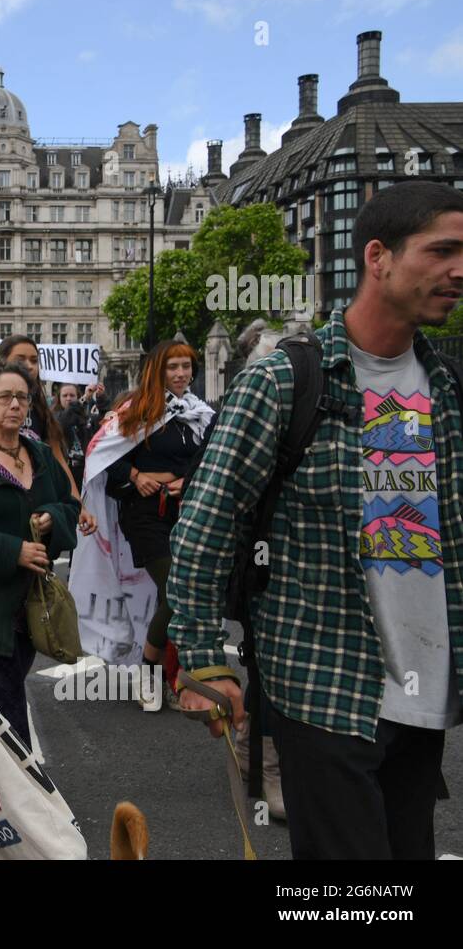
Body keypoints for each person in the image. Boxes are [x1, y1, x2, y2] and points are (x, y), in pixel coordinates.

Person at [170, 182, 463, 859]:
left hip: (426, 693)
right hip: (325, 685)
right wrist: (205, 659)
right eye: (441, 251)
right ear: (377, 258)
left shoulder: (445, 390)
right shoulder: (285, 381)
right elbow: (205, 528)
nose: (458, 270)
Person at [82, 340, 212, 710]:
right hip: (144, 516)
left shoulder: (202, 413)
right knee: (176, 589)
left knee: (181, 596)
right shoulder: (134, 411)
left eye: (187, 366)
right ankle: (148, 668)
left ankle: (173, 675)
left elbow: (210, 460)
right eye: (173, 366)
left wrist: (186, 480)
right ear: (158, 370)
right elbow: (104, 458)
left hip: (186, 514)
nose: (181, 373)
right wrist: (136, 474)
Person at [0, 361, 79, 745]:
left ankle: (9, 781)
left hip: (35, 603)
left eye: (22, 398)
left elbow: (70, 505)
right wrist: (14, 550)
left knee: (9, 694)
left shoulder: (40, 455)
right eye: (4, 397)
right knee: (7, 705)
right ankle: (26, 788)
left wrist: (51, 519)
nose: (14, 405)